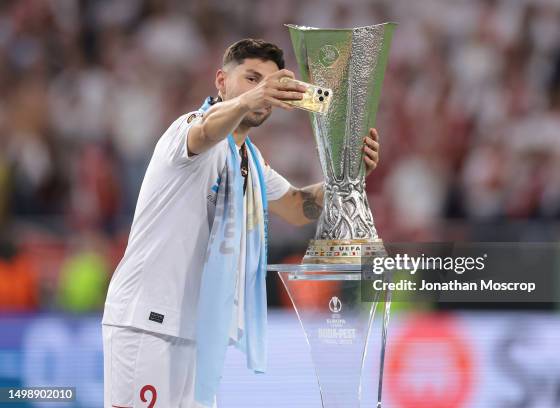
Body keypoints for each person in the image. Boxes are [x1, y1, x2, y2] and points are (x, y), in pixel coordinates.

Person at [101, 38, 380, 408]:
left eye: (268, 83)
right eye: (250, 78)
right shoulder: (189, 128)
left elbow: (298, 207)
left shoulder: (249, 159)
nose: (261, 90)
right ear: (221, 81)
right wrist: (251, 98)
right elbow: (205, 133)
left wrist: (349, 177)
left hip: (198, 331)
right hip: (146, 321)